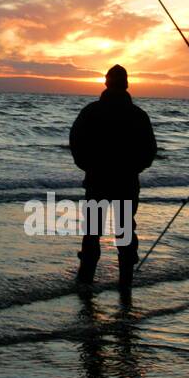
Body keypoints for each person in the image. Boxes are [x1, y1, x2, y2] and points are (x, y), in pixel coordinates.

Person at [69, 64, 157, 291]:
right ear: (126, 85)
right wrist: (134, 168)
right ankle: (125, 283)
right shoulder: (138, 116)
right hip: (126, 182)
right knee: (125, 230)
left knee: (92, 232)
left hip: (98, 180)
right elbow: (150, 151)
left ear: (106, 83)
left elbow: (75, 142)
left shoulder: (91, 111)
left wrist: (88, 166)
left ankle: (85, 282)